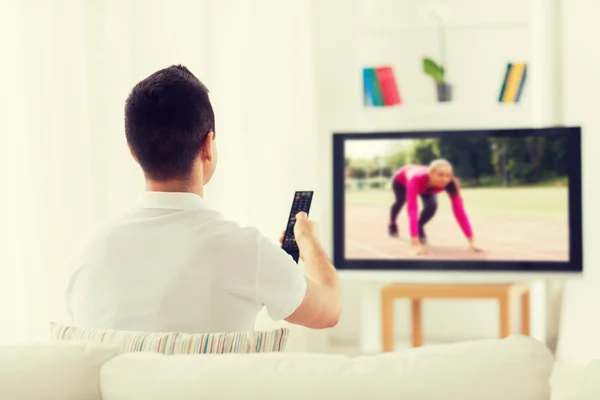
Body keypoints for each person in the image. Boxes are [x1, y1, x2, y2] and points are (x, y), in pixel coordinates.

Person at [64, 65, 341, 333]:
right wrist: (308, 242)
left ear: (133, 152)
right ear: (207, 146)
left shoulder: (88, 254)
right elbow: (329, 310)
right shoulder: (247, 251)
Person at [388, 159, 480, 256]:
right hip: (401, 181)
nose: (445, 179)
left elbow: (459, 211)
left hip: (428, 186)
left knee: (432, 206)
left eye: (448, 175)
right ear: (430, 173)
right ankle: (392, 223)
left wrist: (472, 241)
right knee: (400, 201)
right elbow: (412, 209)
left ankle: (419, 226)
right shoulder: (415, 179)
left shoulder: (452, 183)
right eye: (440, 175)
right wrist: (415, 243)